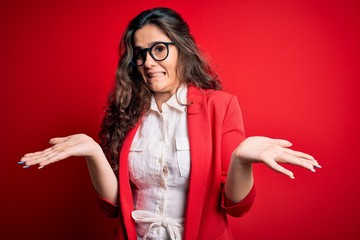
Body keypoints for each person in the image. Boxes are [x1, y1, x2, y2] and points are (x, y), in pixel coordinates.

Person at [18, 7, 321, 240]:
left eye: (159, 49)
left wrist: (242, 160)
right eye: (140, 54)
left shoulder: (220, 106)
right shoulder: (127, 111)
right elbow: (112, 208)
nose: (148, 62)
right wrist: (93, 153)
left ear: (181, 48)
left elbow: (236, 207)